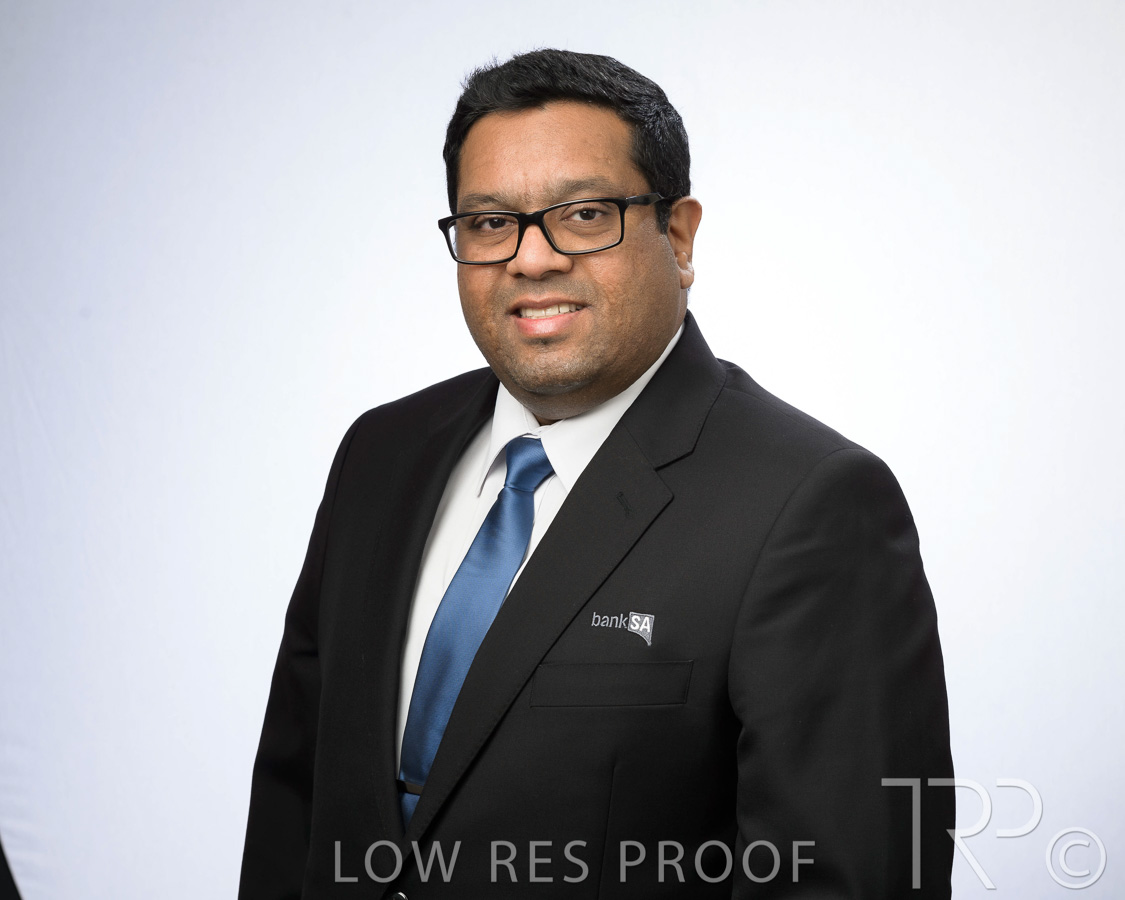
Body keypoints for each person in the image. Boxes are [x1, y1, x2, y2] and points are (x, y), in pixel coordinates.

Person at [239, 49, 954, 899]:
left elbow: (846, 878)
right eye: (489, 222)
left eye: (583, 214)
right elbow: (293, 805)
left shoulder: (810, 504)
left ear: (677, 236)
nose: (530, 259)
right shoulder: (381, 455)